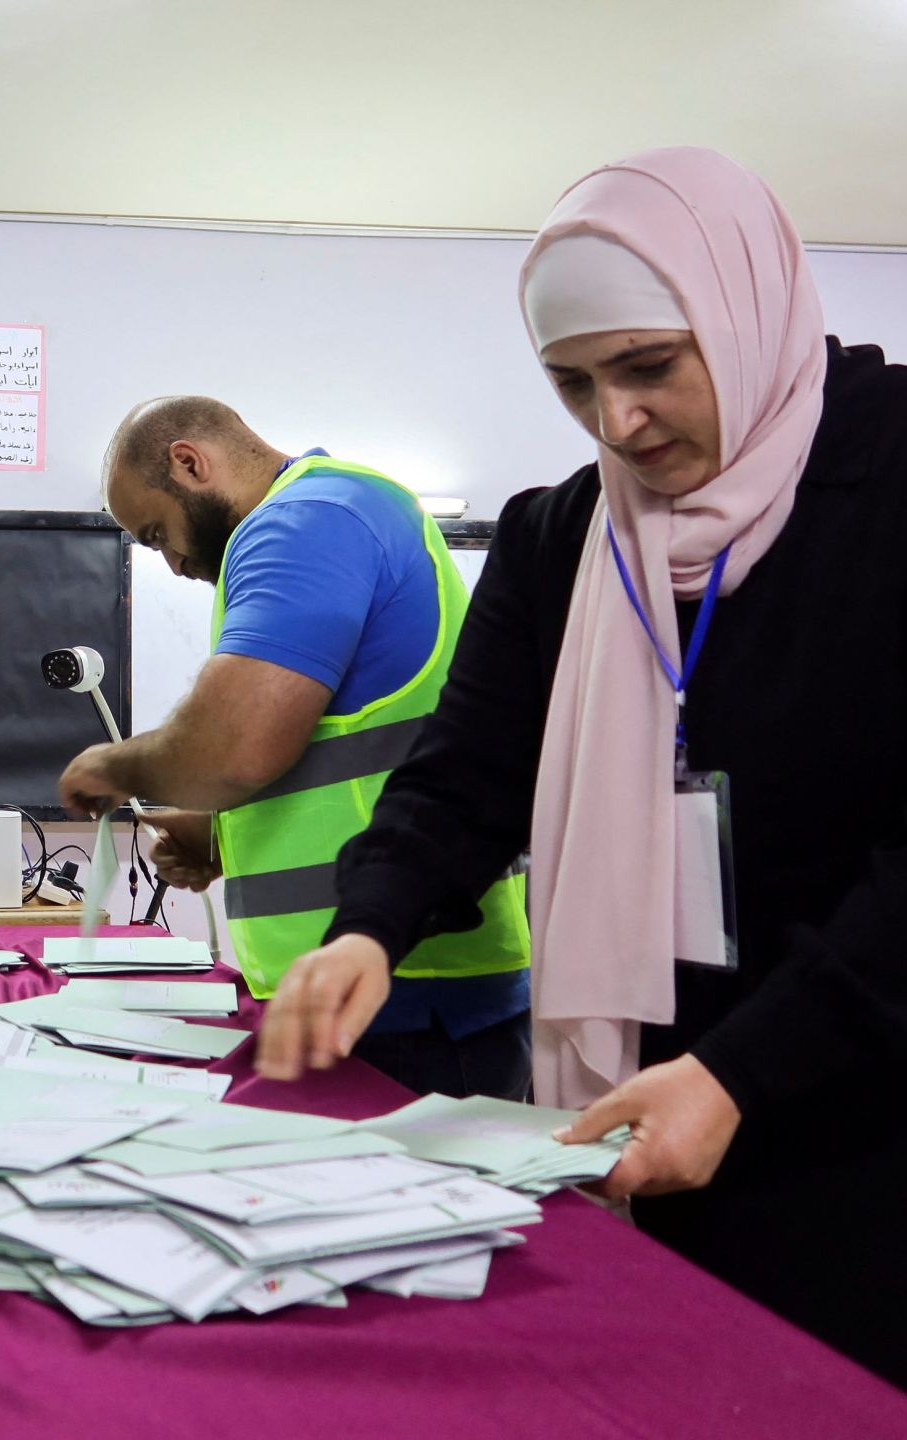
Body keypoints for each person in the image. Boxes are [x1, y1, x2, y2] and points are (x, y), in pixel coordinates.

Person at [255, 147, 907, 1386]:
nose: (620, 422)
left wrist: (744, 1073)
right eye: (573, 386)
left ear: (745, 313)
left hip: (864, 1109)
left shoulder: (889, 484)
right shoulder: (566, 533)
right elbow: (461, 779)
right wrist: (368, 927)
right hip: (642, 1101)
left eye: (651, 368)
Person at [58, 397, 531, 1098]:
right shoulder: (326, 517)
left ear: (190, 463)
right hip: (363, 988)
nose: (172, 562)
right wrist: (220, 835)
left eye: (157, 532)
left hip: (405, 994)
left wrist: (109, 764)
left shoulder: (308, 521)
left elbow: (233, 747)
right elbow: (335, 751)